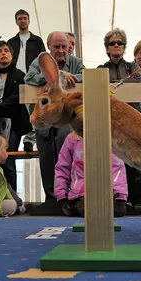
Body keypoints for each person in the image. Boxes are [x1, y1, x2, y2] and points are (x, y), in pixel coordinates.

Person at [24, 31, 84, 203]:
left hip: (67, 119)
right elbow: (29, 78)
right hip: (45, 118)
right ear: (49, 47)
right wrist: (58, 74)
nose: (61, 50)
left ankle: (68, 195)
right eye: (56, 47)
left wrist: (57, 78)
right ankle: (51, 198)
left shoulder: (76, 62)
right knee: (46, 155)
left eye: (64, 47)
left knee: (66, 154)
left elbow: (85, 77)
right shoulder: (39, 62)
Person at [0, 41, 32, 191]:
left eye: (6, 51)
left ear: (12, 55)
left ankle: (12, 195)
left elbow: (17, 98)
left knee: (8, 158)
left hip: (14, 122)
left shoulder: (21, 75)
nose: (3, 53)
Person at [54, 131, 128, 217]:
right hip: (83, 194)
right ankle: (75, 205)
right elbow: (62, 167)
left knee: (115, 211)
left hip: (112, 195)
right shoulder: (72, 139)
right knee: (88, 210)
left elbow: (118, 169)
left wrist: (119, 196)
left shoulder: (117, 136)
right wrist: (62, 195)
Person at [8, 9, 46, 74]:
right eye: (20, 19)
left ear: (29, 21)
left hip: (33, 77)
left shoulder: (37, 40)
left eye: (25, 18)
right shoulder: (11, 42)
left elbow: (43, 59)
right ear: (16, 22)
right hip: (14, 77)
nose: (23, 20)